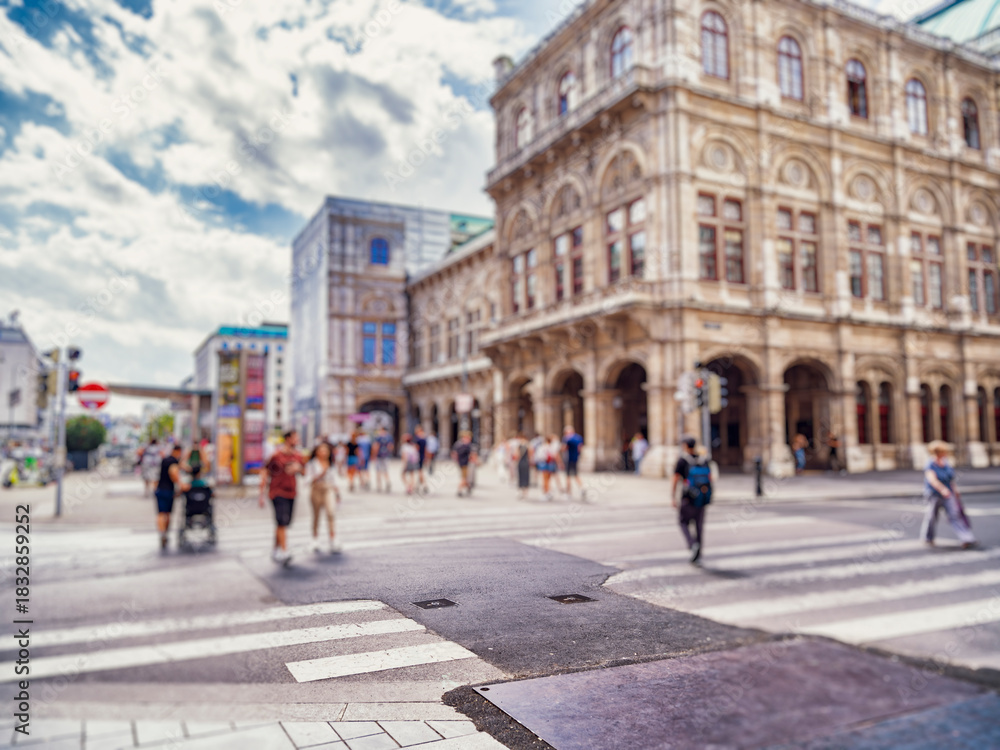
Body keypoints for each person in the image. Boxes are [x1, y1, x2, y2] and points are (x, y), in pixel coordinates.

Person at [259, 430, 305, 565]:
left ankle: (275, 549)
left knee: (283, 523)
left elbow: (304, 472)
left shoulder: (298, 456)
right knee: (282, 521)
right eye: (295, 438)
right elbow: (265, 471)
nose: (297, 440)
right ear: (288, 439)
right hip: (277, 492)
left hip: (292, 492)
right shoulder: (276, 456)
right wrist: (261, 494)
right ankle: (284, 551)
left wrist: (299, 468)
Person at [922, 441, 976, 549]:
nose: (946, 453)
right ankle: (928, 537)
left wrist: (955, 490)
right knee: (932, 517)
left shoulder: (945, 462)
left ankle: (967, 538)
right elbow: (932, 480)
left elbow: (950, 479)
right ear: (938, 452)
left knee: (955, 515)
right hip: (934, 494)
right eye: (944, 451)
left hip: (949, 493)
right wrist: (942, 490)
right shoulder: (930, 464)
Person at [671, 437, 713, 564]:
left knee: (683, 521)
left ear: (685, 446)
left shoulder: (682, 460)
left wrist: (673, 496)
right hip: (701, 497)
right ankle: (698, 554)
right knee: (699, 526)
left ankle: (692, 544)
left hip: (688, 498)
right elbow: (710, 478)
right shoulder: (703, 459)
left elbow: (675, 479)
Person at [305, 442, 341, 553]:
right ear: (316, 452)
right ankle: (314, 539)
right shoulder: (312, 464)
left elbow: (335, 479)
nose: (323, 453)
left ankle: (333, 538)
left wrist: (337, 492)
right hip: (316, 489)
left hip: (328, 489)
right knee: (316, 515)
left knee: (331, 513)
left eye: (326, 450)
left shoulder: (331, 463)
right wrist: (319, 475)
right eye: (321, 450)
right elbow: (307, 480)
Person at [154, 444, 183, 550]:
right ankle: (165, 532)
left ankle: (162, 534)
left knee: (161, 513)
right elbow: (173, 472)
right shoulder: (173, 461)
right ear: (178, 451)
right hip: (169, 490)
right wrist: (180, 484)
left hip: (159, 489)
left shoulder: (164, 459)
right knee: (168, 514)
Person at [451, 431, 478, 497]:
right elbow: (473, 455)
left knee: (465, 477)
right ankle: (459, 490)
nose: (469, 439)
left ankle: (468, 487)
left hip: (462, 463)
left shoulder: (457, 444)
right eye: (468, 437)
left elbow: (454, 454)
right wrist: (475, 461)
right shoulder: (468, 445)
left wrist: (456, 461)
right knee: (464, 478)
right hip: (465, 464)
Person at [536, 434, 562, 501]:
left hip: (544, 463)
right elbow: (555, 456)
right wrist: (559, 463)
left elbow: (539, 456)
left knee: (545, 479)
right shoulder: (552, 447)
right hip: (551, 463)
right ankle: (548, 492)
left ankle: (546, 492)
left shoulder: (542, 447)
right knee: (549, 479)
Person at [562, 426, 584, 498]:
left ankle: (568, 493)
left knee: (568, 476)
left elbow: (564, 448)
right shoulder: (579, 437)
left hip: (569, 459)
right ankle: (581, 488)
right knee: (575, 474)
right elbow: (580, 448)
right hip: (575, 459)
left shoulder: (567, 438)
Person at [373, 426, 394, 492]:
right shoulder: (389, 437)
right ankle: (388, 482)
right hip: (386, 456)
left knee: (378, 471)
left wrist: (374, 455)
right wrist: (388, 452)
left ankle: (379, 486)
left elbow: (376, 446)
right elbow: (391, 446)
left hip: (379, 456)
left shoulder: (378, 437)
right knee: (385, 470)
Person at [514, 433, 532, 500]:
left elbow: (516, 455)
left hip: (520, 462)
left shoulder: (519, 445)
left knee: (520, 476)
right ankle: (526, 492)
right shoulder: (528, 445)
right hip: (526, 462)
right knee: (526, 476)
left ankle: (520, 491)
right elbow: (530, 455)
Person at [414, 426, 428, 492]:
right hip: (422, 456)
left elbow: (416, 448)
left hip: (418, 456)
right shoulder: (424, 439)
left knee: (420, 471)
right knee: (420, 471)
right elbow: (426, 449)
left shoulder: (418, 439)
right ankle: (417, 486)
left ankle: (425, 485)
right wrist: (426, 457)